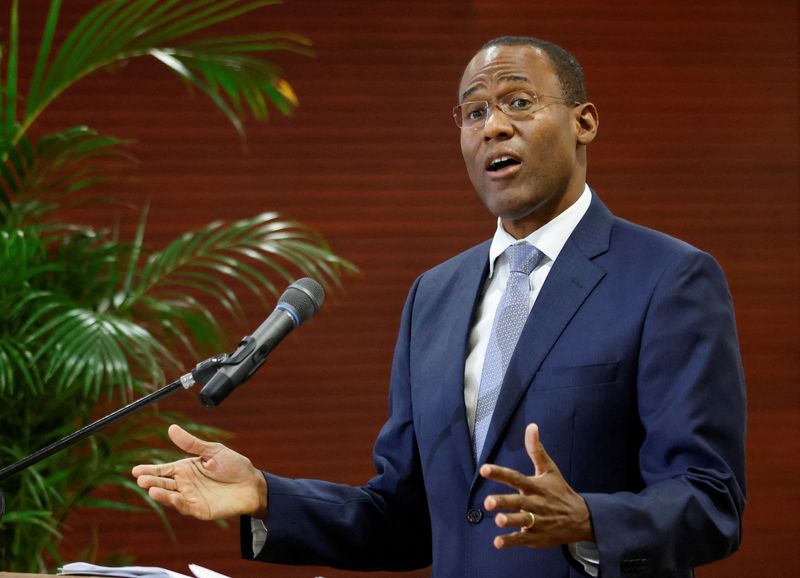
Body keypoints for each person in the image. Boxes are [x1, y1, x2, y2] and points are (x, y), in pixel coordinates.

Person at [133, 36, 746, 577]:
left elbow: (710, 501)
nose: (494, 127)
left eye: (519, 102)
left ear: (584, 122)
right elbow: (406, 516)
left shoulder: (668, 278)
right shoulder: (435, 295)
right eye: (474, 112)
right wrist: (267, 495)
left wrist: (589, 518)